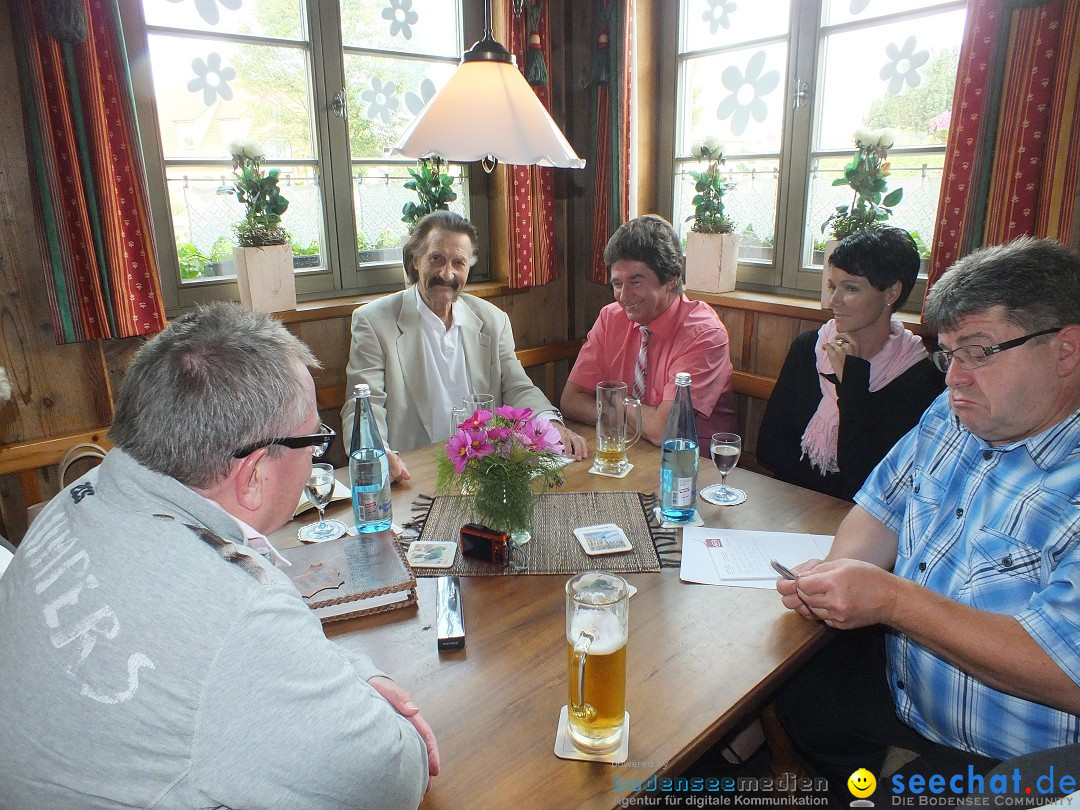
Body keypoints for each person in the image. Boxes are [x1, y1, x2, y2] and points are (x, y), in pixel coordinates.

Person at [0, 304, 438, 809]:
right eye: (316, 440)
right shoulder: (235, 612)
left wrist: (354, 670)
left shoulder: (79, 498)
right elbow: (388, 778)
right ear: (252, 476)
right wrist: (368, 689)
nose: (318, 453)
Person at [774, 237, 1080, 804]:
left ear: (1065, 351)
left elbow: (1068, 670)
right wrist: (837, 575)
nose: (953, 378)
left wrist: (890, 601)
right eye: (948, 354)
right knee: (782, 684)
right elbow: (882, 508)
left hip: (1019, 759)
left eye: (979, 350)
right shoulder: (954, 412)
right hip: (902, 697)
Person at [341, 210, 587, 481]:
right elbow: (363, 404)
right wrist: (376, 454)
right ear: (415, 259)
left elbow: (517, 385)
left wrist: (551, 425)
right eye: (436, 259)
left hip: (486, 466)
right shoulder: (374, 321)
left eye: (458, 262)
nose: (446, 274)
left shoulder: (493, 320)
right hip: (414, 472)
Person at [757, 227, 944, 500]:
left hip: (858, 520)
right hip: (792, 505)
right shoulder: (809, 347)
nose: (834, 301)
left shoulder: (919, 377)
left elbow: (869, 480)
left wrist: (853, 382)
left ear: (891, 293)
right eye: (833, 286)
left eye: (851, 288)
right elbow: (769, 448)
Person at [560, 214, 735, 447]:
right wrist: (636, 418)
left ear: (671, 279)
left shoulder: (704, 334)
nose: (623, 297)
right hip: (629, 451)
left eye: (636, 282)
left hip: (693, 467)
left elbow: (665, 431)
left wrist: (618, 401)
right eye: (617, 284)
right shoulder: (610, 318)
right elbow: (571, 401)